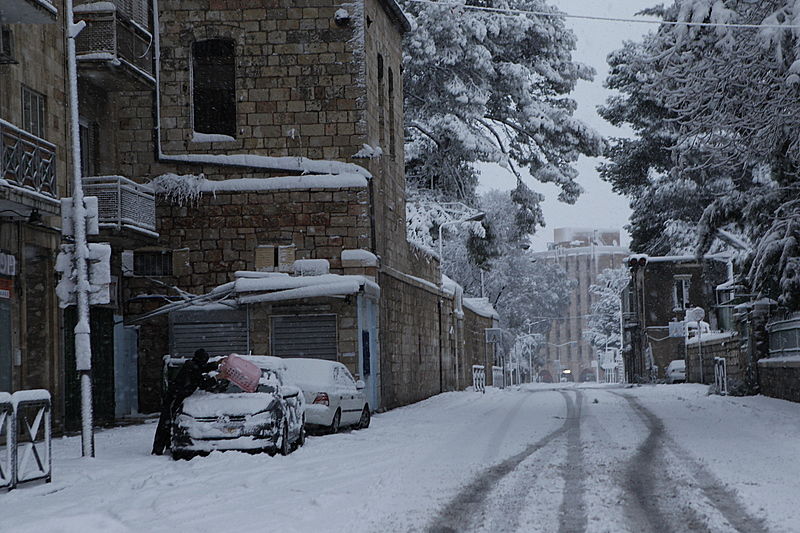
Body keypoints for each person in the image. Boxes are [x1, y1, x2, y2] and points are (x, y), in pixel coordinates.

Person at [152, 348, 218, 455]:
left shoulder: (192, 364)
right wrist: (217, 377)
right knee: (166, 423)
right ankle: (158, 450)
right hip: (174, 398)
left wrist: (216, 364)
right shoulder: (193, 368)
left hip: (175, 396)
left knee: (168, 422)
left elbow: (202, 368)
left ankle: (165, 446)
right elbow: (203, 383)